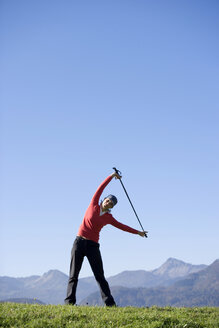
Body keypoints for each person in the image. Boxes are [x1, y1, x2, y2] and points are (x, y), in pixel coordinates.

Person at [65, 171, 147, 306]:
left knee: (99, 276)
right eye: (108, 200)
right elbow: (100, 187)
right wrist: (112, 176)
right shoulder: (93, 204)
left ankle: (110, 303)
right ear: (104, 199)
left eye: (111, 204)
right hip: (79, 242)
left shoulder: (109, 218)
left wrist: (138, 232)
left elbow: (122, 226)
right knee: (73, 275)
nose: (108, 203)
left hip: (93, 246)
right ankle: (69, 302)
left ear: (112, 207)